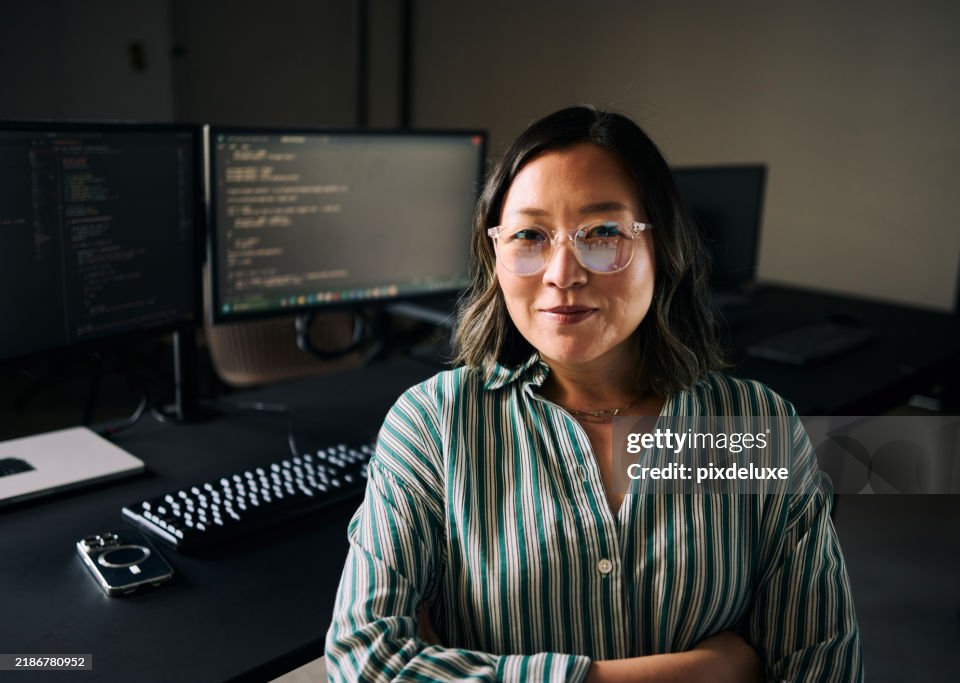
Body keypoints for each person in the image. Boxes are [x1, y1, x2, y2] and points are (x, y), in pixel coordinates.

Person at [325, 106, 864, 682]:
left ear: (663, 246)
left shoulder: (754, 424)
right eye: (530, 235)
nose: (563, 272)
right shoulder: (434, 423)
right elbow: (365, 662)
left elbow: (821, 663)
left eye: (604, 233)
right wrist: (697, 674)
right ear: (495, 254)